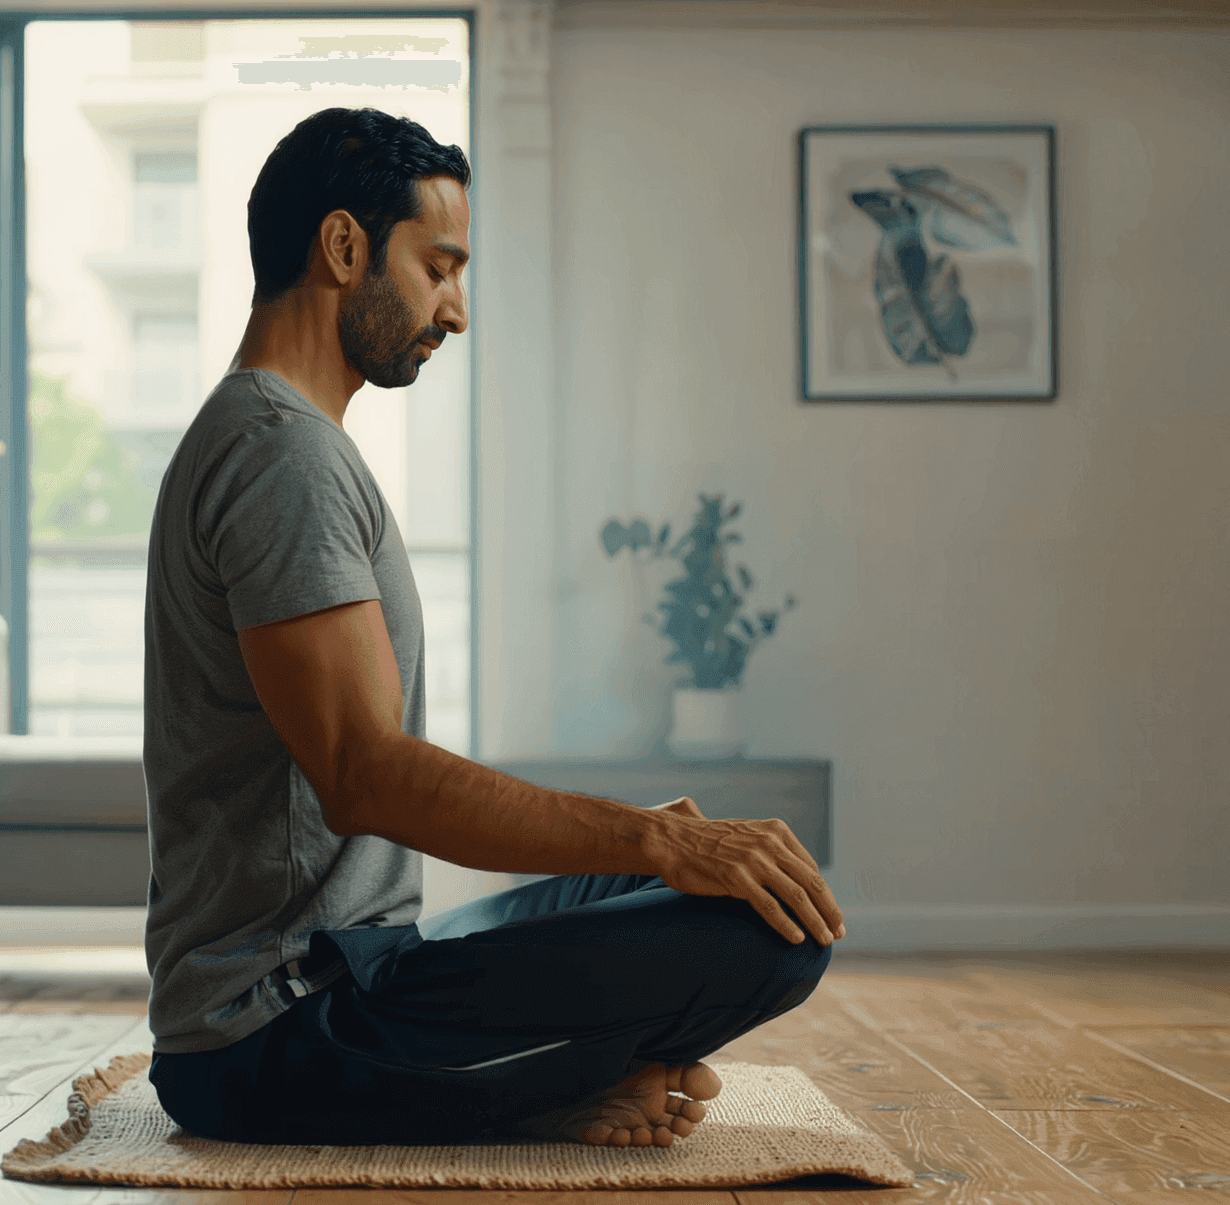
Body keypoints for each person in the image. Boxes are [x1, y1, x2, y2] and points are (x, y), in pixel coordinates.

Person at [142, 106, 844, 1150]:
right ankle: (550, 1088)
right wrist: (660, 837)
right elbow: (365, 774)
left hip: (351, 966)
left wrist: (653, 845)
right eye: (438, 266)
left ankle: (549, 1076)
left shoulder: (280, 438)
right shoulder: (280, 457)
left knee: (687, 874)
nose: (455, 309)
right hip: (274, 1027)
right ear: (343, 247)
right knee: (762, 932)